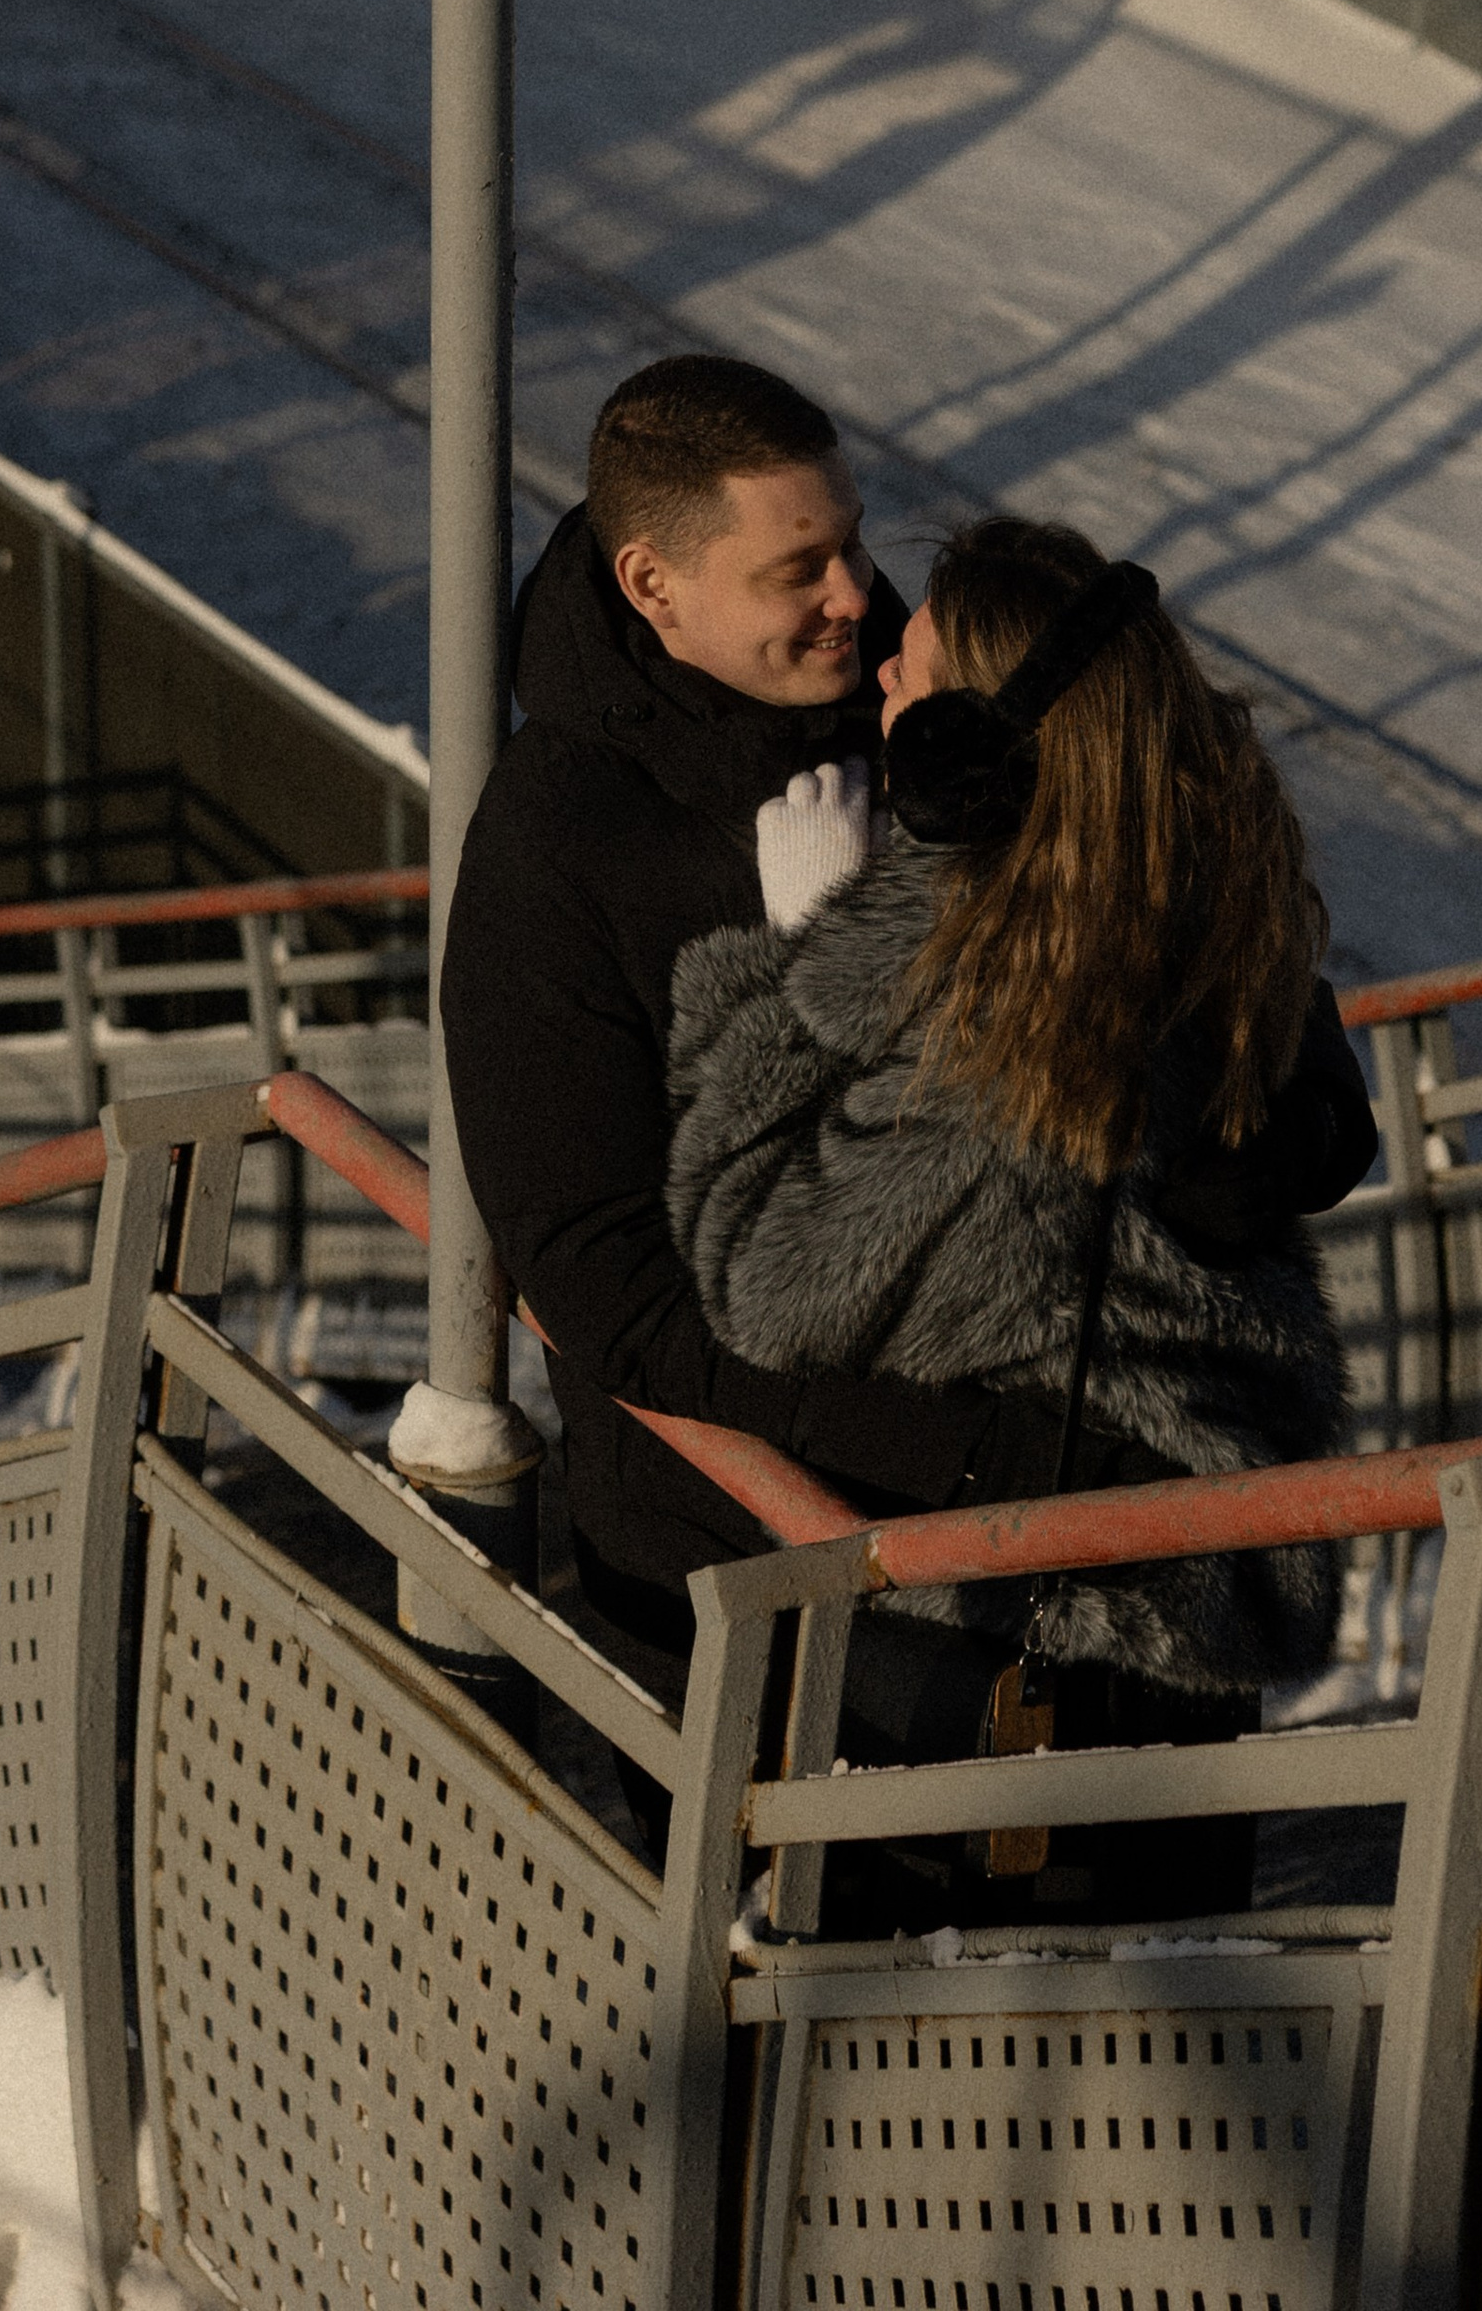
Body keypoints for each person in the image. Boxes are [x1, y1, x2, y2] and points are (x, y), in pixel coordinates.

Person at [440, 360, 1376, 1798]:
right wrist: (992, 1461)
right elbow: (604, 1287)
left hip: (1118, 1536)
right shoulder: (556, 847)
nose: (852, 595)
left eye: (856, 540)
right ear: (654, 582)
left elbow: (1178, 889)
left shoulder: (925, 682)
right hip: (782, 1592)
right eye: (798, 567)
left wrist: (1263, 1129)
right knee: (826, 2005)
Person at [662, 512, 1361, 1923]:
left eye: (912, 684)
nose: (883, 701)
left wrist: (809, 961)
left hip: (1022, 1662)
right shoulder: (1180, 923)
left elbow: (765, 1271)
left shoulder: (1021, 1047)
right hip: (1167, 1645)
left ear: (982, 751)